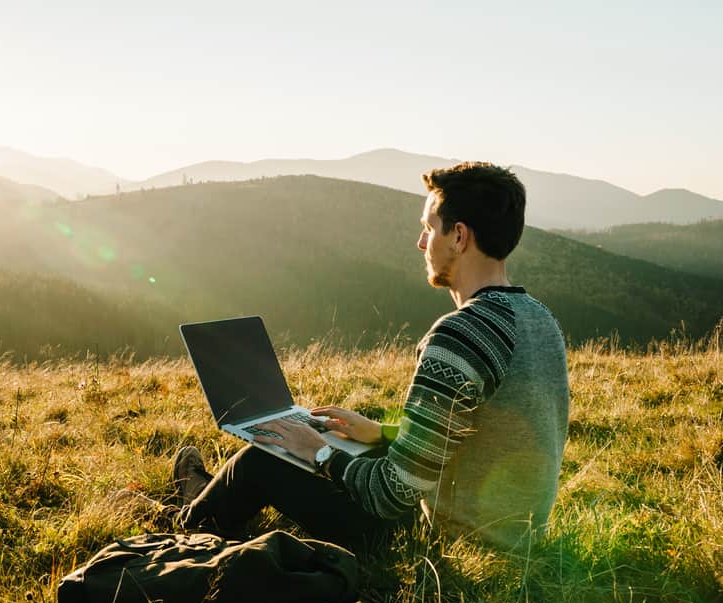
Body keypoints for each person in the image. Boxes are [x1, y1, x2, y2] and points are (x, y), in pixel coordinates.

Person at [172, 162, 570, 552]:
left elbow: (391, 494)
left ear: (459, 237)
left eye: (429, 228)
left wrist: (319, 451)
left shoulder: (461, 333)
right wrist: (383, 434)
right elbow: (483, 432)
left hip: (452, 541)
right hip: (517, 534)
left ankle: (184, 522)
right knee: (343, 448)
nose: (420, 242)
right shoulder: (541, 318)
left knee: (261, 461)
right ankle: (206, 495)